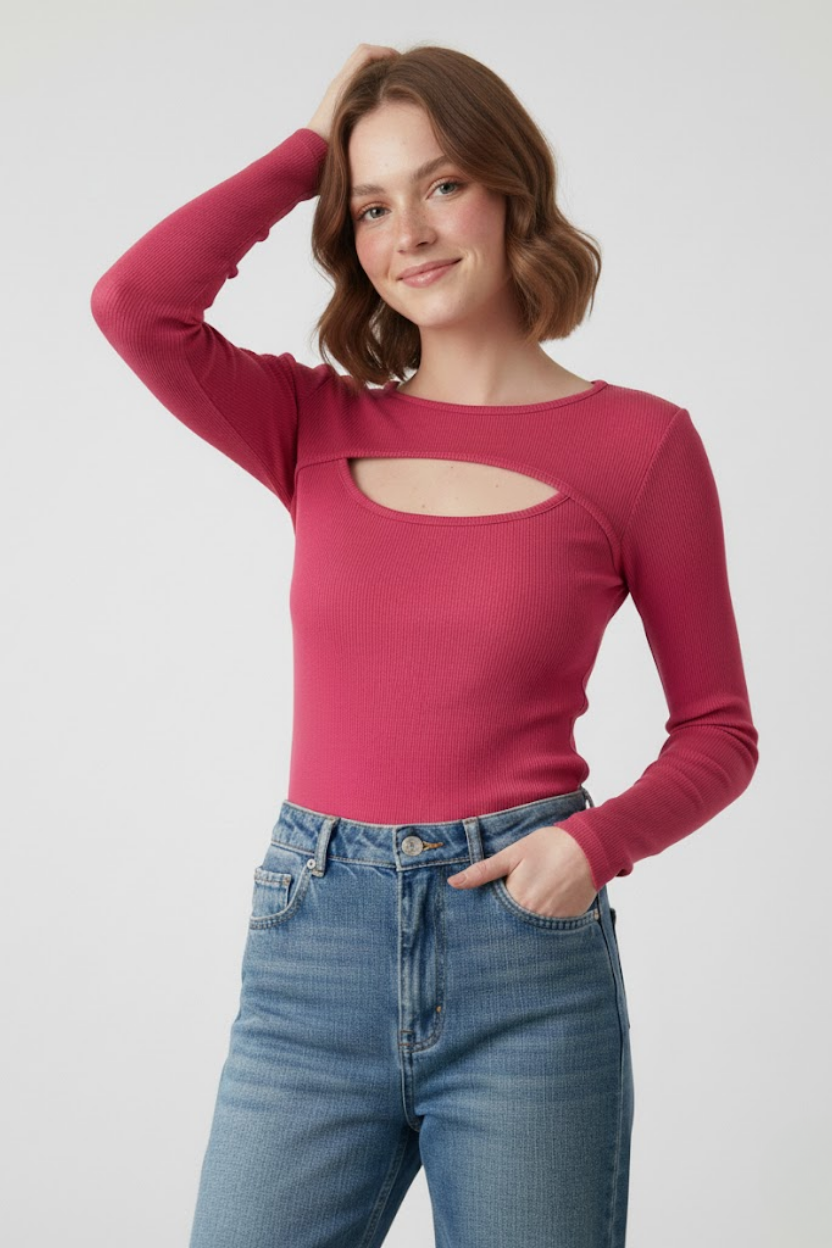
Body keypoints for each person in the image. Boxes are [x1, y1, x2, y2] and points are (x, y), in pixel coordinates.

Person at [90, 41, 759, 1248]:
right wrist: (307, 151)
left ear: (510, 190)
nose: (409, 233)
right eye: (370, 207)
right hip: (311, 958)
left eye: (442, 185)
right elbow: (134, 307)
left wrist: (592, 847)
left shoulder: (641, 446)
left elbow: (719, 732)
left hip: (524, 968)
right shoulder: (311, 422)